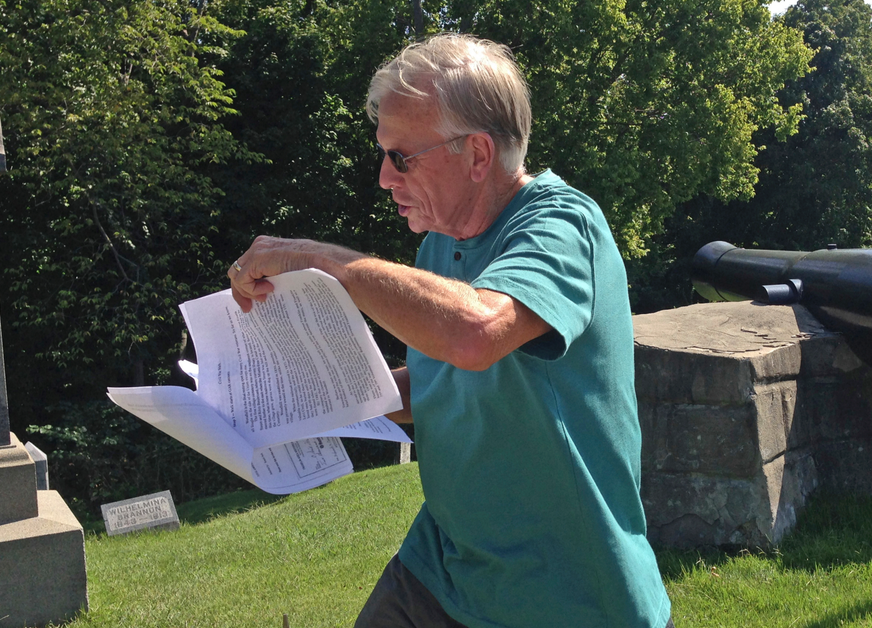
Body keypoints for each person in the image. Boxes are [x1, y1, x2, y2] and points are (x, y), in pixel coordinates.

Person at [227, 34, 673, 628]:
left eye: (401, 157)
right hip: (444, 566)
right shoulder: (439, 245)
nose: (385, 178)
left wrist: (324, 261)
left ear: (478, 155)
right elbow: (444, 381)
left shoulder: (564, 223)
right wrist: (311, 403)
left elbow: (476, 333)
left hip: (567, 592)